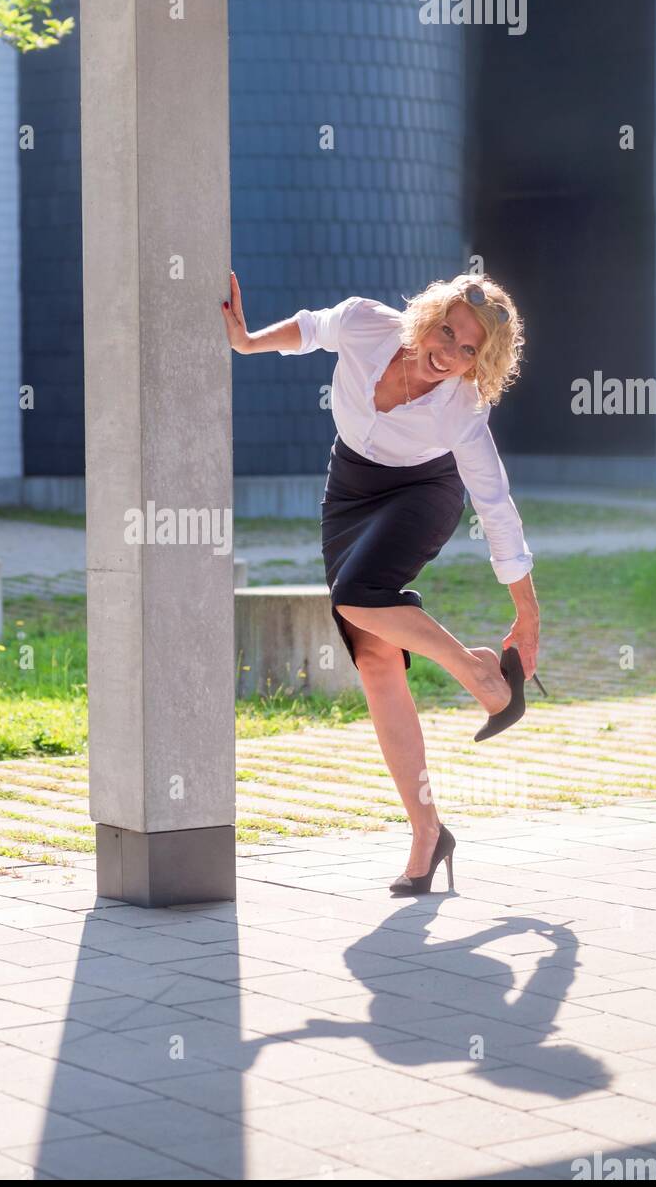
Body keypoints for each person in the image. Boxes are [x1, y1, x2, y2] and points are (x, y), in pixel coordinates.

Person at [221, 270, 545, 895]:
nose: (446, 351)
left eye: (467, 350)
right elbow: (312, 329)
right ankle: (428, 832)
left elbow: (496, 504)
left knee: (355, 597)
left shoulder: (463, 412)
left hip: (423, 494)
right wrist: (247, 342)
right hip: (348, 492)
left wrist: (526, 616)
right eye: (447, 330)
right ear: (429, 317)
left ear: (481, 364)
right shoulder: (368, 324)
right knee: (375, 663)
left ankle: (480, 674)